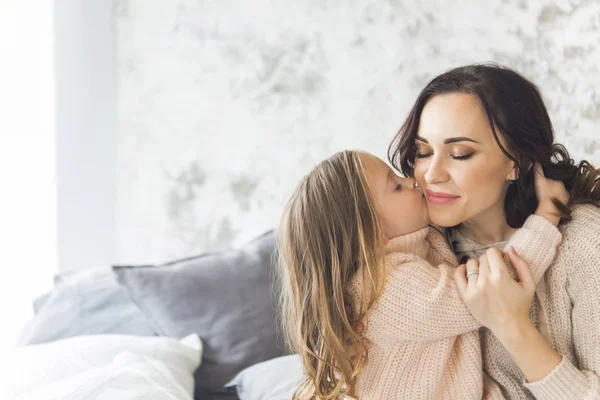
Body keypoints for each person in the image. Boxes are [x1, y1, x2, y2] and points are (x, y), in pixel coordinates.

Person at [277, 149, 565, 399]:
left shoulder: (413, 247)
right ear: (372, 233)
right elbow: (493, 291)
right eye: (396, 187)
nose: (412, 180)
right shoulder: (387, 290)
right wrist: (548, 216)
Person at [387, 63, 600, 399]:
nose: (431, 174)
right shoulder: (416, 249)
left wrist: (511, 325)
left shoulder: (585, 243)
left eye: (460, 154)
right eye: (423, 152)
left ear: (516, 162)